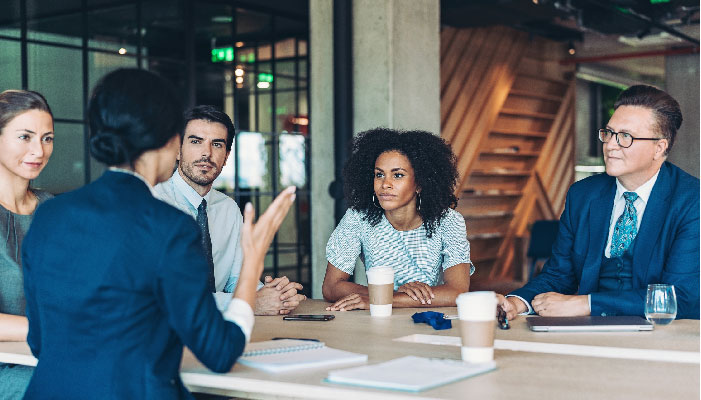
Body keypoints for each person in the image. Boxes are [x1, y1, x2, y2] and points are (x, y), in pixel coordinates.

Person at [21, 69, 296, 399]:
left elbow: (40, 342)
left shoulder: (50, 214)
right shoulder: (169, 226)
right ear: (169, 141)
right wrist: (254, 258)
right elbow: (220, 353)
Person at [498, 85, 700, 320]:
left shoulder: (692, 200)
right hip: (589, 331)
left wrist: (587, 304)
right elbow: (558, 275)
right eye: (609, 133)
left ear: (659, 147)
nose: (610, 145)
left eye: (625, 136)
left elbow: (680, 296)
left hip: (660, 336)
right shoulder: (583, 195)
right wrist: (516, 303)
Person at [154, 105, 306, 316]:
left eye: (217, 144)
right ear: (177, 150)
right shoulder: (154, 205)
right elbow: (169, 294)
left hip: (220, 331)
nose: (206, 153)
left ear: (226, 156)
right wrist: (249, 303)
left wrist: (273, 294)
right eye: (196, 141)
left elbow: (236, 279)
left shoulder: (228, 208)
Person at [322, 128, 473, 311]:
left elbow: (457, 291)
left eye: (398, 175)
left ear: (419, 183)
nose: (385, 184)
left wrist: (384, 299)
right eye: (379, 174)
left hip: (428, 323)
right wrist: (387, 297)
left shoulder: (448, 222)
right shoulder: (358, 219)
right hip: (379, 321)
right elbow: (331, 286)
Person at [0, 90, 54, 400]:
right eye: (25, 137)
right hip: (10, 367)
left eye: (47, 138)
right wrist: (51, 327)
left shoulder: (54, 210)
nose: (39, 150)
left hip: (51, 353)